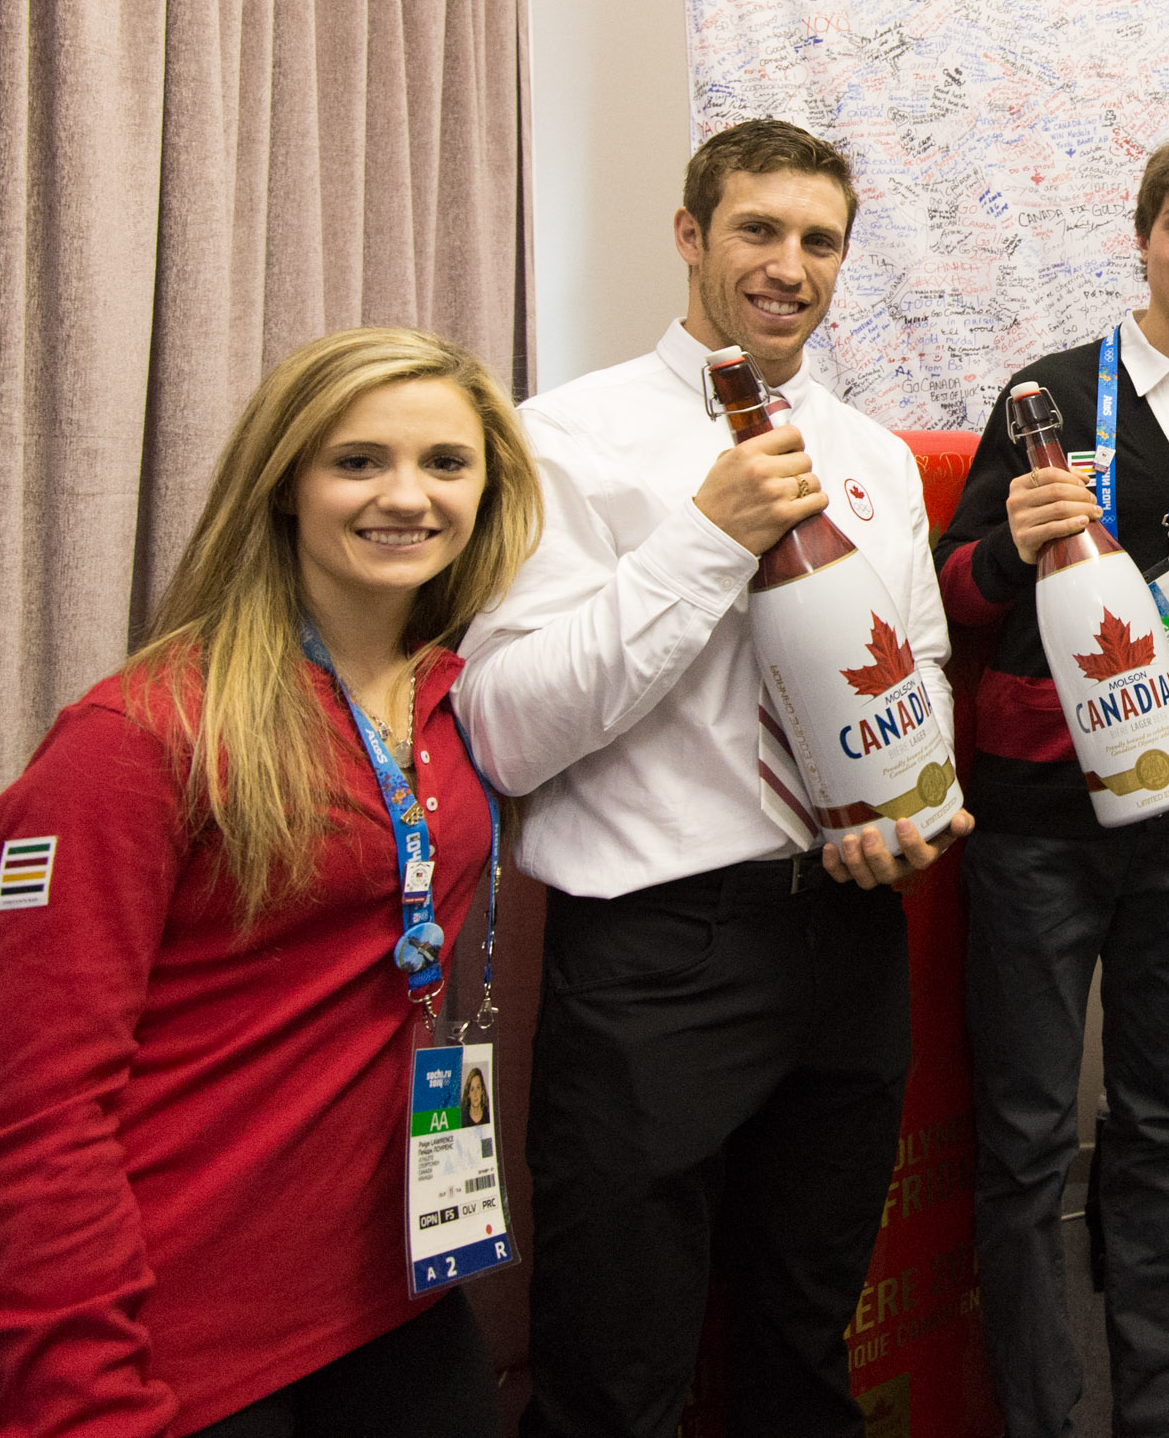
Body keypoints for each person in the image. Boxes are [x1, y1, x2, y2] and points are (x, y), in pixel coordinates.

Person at [458, 118, 969, 1438]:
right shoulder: (563, 439)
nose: (787, 264)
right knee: (615, 1375)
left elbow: (909, 662)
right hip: (655, 966)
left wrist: (915, 801)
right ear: (689, 235)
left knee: (802, 1353)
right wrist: (708, 538)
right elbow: (507, 729)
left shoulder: (868, 460)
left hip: (848, 943)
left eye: (818, 240)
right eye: (758, 228)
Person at [0, 326, 541, 1438]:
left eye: (446, 462)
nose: (407, 494)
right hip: (161, 1344)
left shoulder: (458, 706)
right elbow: (35, 1111)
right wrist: (88, 1398)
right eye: (358, 459)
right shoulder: (137, 735)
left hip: (390, 1303)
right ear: (283, 487)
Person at [934, 132, 1169, 1438]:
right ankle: (1038, 1412)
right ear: (1142, 235)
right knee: (1028, 1135)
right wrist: (1004, 554)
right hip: (1035, 818)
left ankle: (1168, 1408)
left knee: (1160, 1120)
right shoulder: (1047, 393)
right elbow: (956, 581)